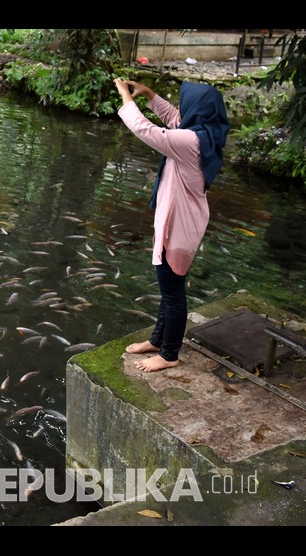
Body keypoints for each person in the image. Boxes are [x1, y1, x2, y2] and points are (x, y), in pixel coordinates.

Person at [113, 77, 230, 372]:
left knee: (173, 293)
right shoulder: (205, 131)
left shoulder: (190, 142)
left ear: (197, 109)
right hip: (179, 220)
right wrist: (150, 95)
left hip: (179, 228)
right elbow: (174, 118)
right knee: (169, 288)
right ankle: (157, 340)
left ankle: (169, 354)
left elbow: (146, 130)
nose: (180, 109)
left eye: (185, 103)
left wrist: (126, 99)